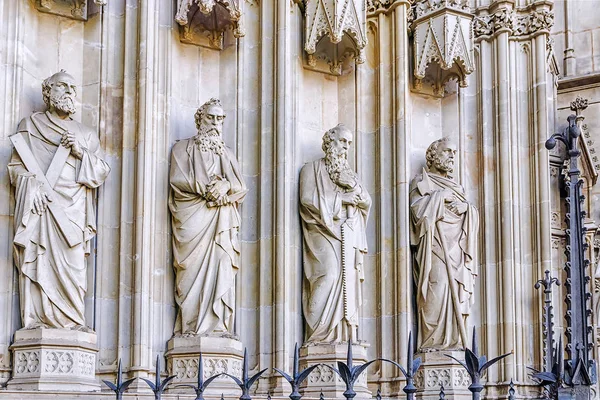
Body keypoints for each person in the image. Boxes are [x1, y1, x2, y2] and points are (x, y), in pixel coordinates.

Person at [8, 70, 111, 330]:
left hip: (73, 212)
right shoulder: (30, 126)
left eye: (72, 89)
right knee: (40, 260)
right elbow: (16, 168)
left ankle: (73, 321)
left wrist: (79, 151)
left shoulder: (85, 134)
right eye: (62, 86)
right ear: (48, 92)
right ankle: (39, 321)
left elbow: (101, 171)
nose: (68, 92)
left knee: (74, 266)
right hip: (42, 207)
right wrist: (33, 188)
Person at [169, 98, 247, 336]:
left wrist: (225, 187)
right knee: (190, 274)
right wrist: (207, 189)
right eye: (210, 118)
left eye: (219, 119)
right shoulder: (183, 148)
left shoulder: (227, 154)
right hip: (193, 219)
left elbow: (240, 186)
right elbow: (177, 179)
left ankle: (218, 326)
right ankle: (192, 326)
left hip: (221, 223)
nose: (215, 123)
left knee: (223, 264)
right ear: (199, 120)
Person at [300, 123, 371, 343]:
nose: (346, 147)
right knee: (329, 275)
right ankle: (320, 336)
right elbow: (307, 199)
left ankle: (344, 337)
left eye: (349, 143)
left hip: (348, 237)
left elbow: (366, 201)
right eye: (342, 141)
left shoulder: (351, 176)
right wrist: (342, 200)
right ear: (330, 142)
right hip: (323, 234)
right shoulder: (311, 169)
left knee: (347, 283)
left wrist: (353, 189)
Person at [410, 137, 478, 351]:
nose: (452, 156)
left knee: (456, 291)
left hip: (457, 249)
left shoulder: (458, 187)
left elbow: (471, 215)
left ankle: (455, 343)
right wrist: (439, 198)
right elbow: (417, 212)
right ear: (433, 154)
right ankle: (433, 342)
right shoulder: (423, 182)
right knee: (437, 288)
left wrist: (467, 208)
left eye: (454, 153)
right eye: (447, 151)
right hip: (435, 247)